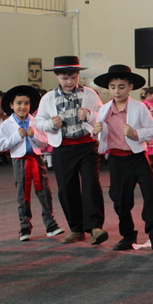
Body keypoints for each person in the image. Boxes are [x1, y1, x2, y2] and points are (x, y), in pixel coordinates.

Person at [93, 64, 153, 251]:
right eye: (113, 87)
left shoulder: (139, 107)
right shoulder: (104, 110)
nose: (117, 91)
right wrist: (96, 131)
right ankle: (127, 235)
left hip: (137, 157)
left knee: (150, 192)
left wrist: (135, 134)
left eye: (121, 87)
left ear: (130, 87)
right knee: (120, 199)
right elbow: (101, 136)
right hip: (116, 160)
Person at [35, 55, 108, 246]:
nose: (69, 81)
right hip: (63, 148)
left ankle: (95, 227)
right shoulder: (48, 98)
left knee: (91, 184)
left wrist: (90, 115)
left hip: (87, 146)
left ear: (78, 76)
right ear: (57, 77)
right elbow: (39, 121)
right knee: (67, 189)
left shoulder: (89, 94)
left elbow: (102, 116)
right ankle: (77, 229)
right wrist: (52, 124)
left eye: (72, 77)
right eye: (64, 78)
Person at [0, 85, 64, 241]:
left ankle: (51, 225)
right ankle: (24, 227)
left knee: (45, 192)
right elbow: (1, 146)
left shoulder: (36, 122)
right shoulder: (6, 124)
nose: (23, 107)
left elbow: (44, 142)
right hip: (19, 161)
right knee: (23, 194)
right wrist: (17, 136)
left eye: (26, 103)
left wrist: (33, 135)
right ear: (11, 105)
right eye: (19, 103)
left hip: (36, 159)